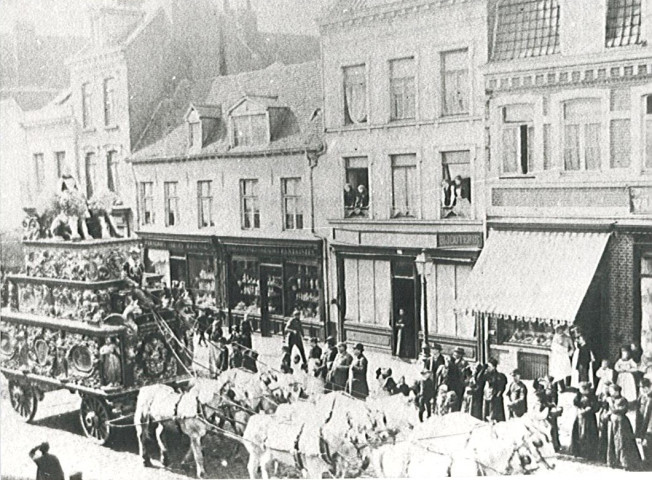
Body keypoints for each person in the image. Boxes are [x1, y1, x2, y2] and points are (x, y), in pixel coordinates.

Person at [606, 383, 641, 470]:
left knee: (622, 441)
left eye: (612, 391)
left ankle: (626, 463)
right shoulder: (611, 399)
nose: (610, 393)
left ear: (617, 391)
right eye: (610, 391)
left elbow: (619, 410)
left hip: (621, 423)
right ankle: (614, 461)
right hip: (613, 423)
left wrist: (611, 404)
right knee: (613, 441)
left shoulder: (623, 400)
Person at [570, 381, 599, 460]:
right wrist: (580, 409)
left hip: (589, 418)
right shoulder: (578, 395)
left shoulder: (592, 396)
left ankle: (589, 453)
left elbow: (595, 406)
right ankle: (578, 451)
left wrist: (588, 409)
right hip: (580, 417)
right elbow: (575, 403)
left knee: (589, 434)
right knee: (578, 433)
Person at [481, 358, 506, 422]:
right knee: (485, 416)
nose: (488, 368)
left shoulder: (499, 376)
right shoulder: (487, 374)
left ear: (494, 367)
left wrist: (497, 395)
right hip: (487, 396)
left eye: (489, 366)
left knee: (493, 417)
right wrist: (483, 369)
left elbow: (501, 387)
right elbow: (479, 379)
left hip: (494, 399)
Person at [550, 325, 574, 392]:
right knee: (558, 372)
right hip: (557, 357)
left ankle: (567, 386)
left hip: (564, 356)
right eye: (556, 330)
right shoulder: (555, 337)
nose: (557, 331)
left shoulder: (567, 337)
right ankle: (560, 387)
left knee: (565, 371)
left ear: (562, 329)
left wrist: (569, 353)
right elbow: (553, 347)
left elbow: (572, 347)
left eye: (559, 329)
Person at [636, 378, 652, 468]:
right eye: (641, 388)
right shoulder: (641, 397)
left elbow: (648, 416)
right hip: (642, 423)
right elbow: (639, 414)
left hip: (650, 424)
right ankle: (646, 461)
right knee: (643, 443)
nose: (642, 390)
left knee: (648, 442)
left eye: (644, 387)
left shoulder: (650, 398)